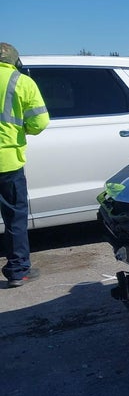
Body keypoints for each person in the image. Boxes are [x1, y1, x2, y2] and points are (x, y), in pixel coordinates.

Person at [0, 42, 50, 288]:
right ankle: (18, 271)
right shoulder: (21, 82)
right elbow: (40, 122)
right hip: (7, 162)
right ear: (15, 61)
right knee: (14, 219)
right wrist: (22, 130)